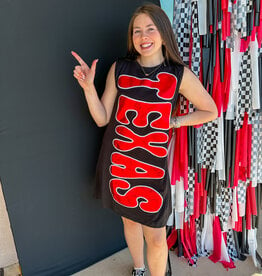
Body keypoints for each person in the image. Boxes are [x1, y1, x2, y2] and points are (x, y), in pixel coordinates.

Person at [72, 3, 218, 276]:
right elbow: (102, 118)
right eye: (137, 31)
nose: (143, 36)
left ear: (163, 32)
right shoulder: (120, 68)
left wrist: (174, 122)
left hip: (152, 167)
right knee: (129, 223)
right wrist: (89, 88)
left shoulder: (178, 74)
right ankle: (139, 270)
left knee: (157, 236)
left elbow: (210, 110)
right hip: (121, 160)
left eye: (150, 28)